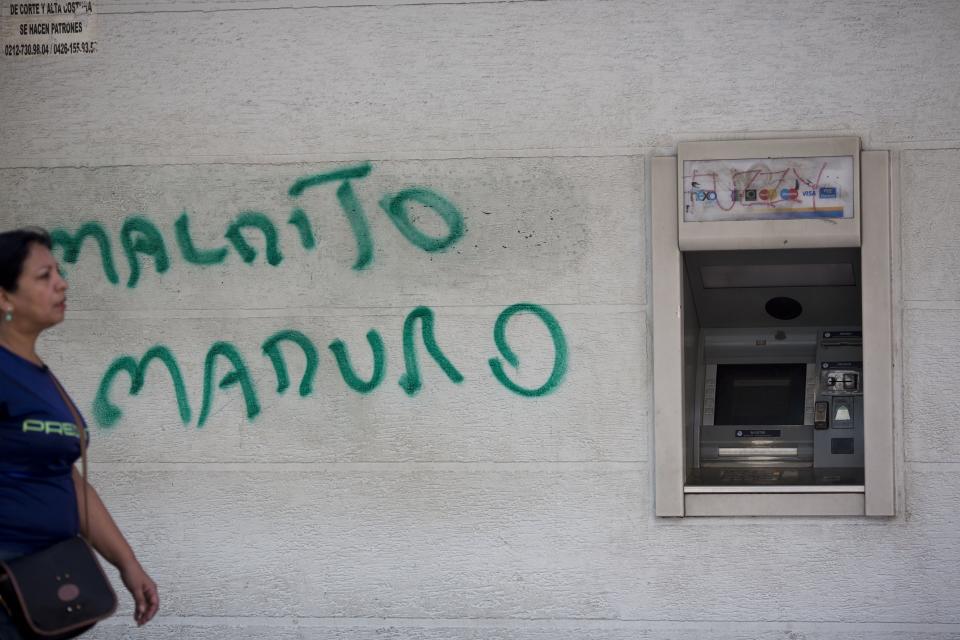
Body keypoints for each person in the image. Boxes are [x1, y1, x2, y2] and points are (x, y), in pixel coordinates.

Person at [0, 228, 159, 638]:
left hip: (43, 579)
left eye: (58, 271)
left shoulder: (39, 377)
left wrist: (127, 562)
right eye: (44, 275)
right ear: (4, 297)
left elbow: (67, 478)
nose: (62, 282)